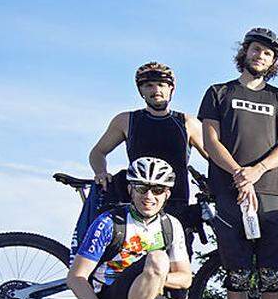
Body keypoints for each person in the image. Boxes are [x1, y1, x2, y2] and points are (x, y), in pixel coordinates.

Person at [198, 27, 278, 299]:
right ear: (245, 52)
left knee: (271, 270)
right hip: (229, 190)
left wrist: (256, 171)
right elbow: (211, 141)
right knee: (237, 269)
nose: (260, 56)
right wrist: (240, 174)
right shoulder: (218, 92)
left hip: (271, 191)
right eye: (256, 50)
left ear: (274, 62)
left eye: (268, 53)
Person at [66, 157, 227, 299]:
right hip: (112, 296)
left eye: (158, 190)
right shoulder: (109, 222)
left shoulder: (171, 225)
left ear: (167, 193)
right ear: (130, 189)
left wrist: (152, 277)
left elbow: (185, 278)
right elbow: (76, 277)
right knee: (158, 258)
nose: (149, 196)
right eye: (142, 188)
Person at [89, 62, 209, 243]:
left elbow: (215, 157)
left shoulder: (188, 123)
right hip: (137, 200)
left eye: (161, 85)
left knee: (176, 262)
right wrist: (100, 172)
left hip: (175, 202)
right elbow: (98, 152)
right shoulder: (126, 120)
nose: (156, 90)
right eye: (149, 85)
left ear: (171, 89)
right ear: (141, 91)